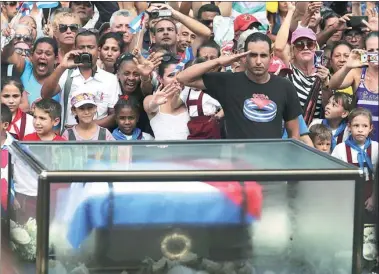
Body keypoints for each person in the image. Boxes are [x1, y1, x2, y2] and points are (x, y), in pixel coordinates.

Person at [176, 32, 302, 139]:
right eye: (253, 55)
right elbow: (183, 77)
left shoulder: (285, 86)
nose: (258, 61)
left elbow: (294, 134)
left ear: (271, 57)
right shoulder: (228, 82)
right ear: (244, 57)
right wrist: (219, 61)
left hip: (271, 162)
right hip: (238, 163)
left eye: (263, 55)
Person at [41, 29, 121, 131]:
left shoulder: (110, 79)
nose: (86, 51)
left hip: (98, 141)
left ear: (98, 50)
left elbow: (114, 116)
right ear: (75, 49)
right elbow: (45, 94)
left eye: (91, 47)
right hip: (69, 141)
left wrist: (83, 127)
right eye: (82, 47)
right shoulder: (66, 73)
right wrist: (62, 66)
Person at [329, 32, 379, 142]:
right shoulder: (357, 73)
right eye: (371, 50)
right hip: (360, 143)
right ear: (365, 51)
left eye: (378, 49)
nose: (375, 53)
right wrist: (347, 66)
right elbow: (332, 85)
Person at [332, 108, 378, 212]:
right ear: (349, 127)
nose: (360, 130)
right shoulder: (340, 149)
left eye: (365, 126)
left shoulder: (376, 148)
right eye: (356, 125)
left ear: (371, 128)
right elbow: (334, 177)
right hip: (346, 198)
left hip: (371, 198)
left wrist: (374, 198)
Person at [144, 57, 190, 140]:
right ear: (160, 79)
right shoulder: (151, 98)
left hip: (190, 152)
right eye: (171, 75)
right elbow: (150, 107)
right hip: (162, 152)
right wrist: (154, 103)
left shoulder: (190, 97)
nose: (176, 79)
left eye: (179, 74)